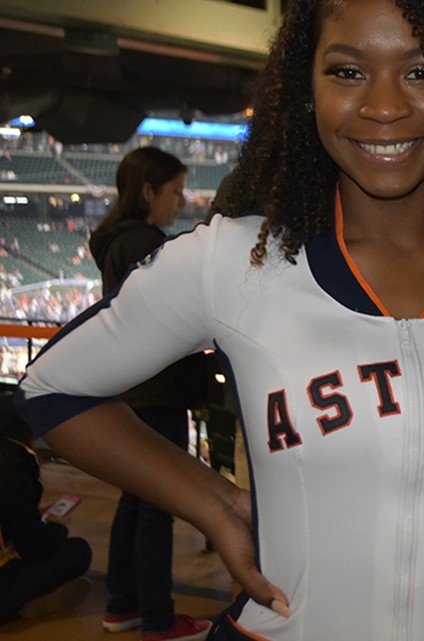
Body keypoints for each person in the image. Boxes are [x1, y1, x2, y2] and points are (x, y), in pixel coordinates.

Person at [16, 0, 424, 639]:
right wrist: (213, 503)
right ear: (305, 89)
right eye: (347, 72)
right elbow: (51, 392)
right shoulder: (233, 261)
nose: (384, 107)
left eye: (423, 71)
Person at [86, 146, 213, 641]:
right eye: (175, 191)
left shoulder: (114, 242)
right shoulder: (146, 246)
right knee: (157, 504)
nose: (180, 201)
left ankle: (123, 605)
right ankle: (158, 619)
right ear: (147, 192)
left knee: (136, 499)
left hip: (130, 387)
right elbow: (172, 320)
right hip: (157, 389)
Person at [0, 391, 92, 623]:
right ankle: (19, 603)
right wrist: (55, 527)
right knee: (78, 550)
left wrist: (33, 514)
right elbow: (34, 546)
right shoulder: (14, 466)